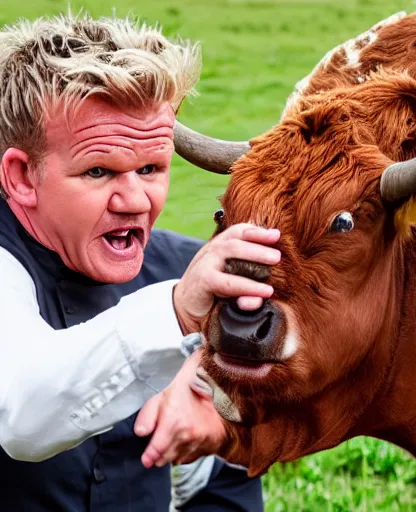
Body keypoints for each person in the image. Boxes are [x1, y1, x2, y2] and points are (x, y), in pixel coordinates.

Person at [0, 12, 281, 512]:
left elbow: (230, 484)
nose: (135, 200)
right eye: (100, 170)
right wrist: (174, 314)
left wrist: (225, 424)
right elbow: (22, 414)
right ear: (22, 177)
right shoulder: (183, 293)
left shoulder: (181, 266)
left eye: (151, 167)